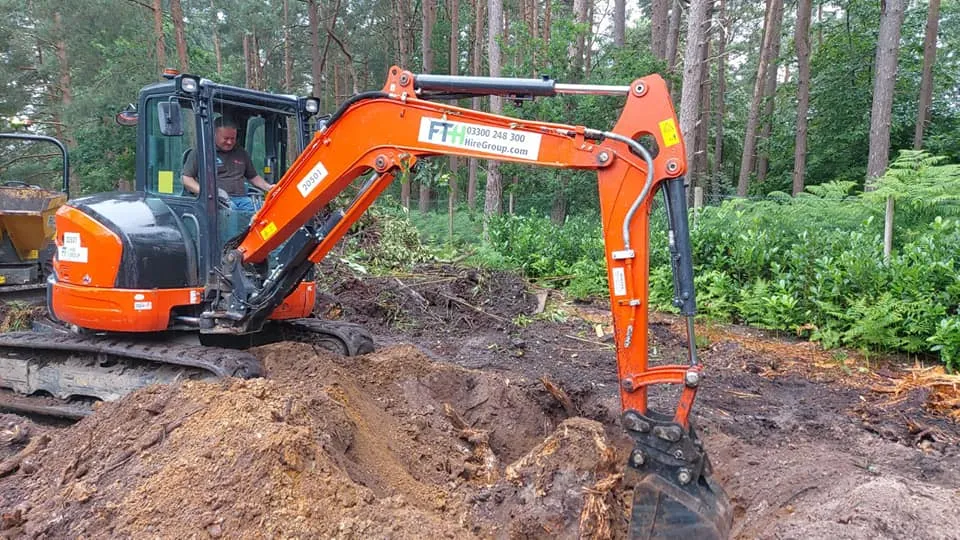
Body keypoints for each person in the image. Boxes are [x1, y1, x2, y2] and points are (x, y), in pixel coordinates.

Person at [182, 117, 274, 211]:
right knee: (232, 212)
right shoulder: (202, 152)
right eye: (226, 138)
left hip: (243, 200)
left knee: (267, 209)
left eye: (232, 138)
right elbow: (186, 179)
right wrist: (208, 192)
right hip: (215, 202)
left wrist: (269, 188)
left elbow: (253, 177)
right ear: (214, 134)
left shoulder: (241, 153)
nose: (230, 142)